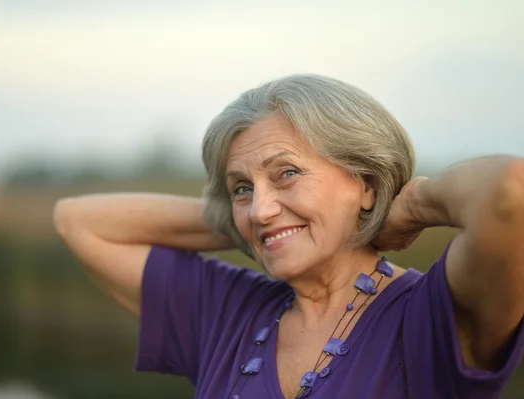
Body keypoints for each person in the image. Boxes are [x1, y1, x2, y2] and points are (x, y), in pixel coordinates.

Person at [53, 74, 524, 398]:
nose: (260, 207)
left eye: (287, 173)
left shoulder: (432, 319)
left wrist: (412, 205)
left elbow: (511, 192)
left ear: (365, 183)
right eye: (242, 187)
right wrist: (244, 220)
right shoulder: (228, 312)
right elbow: (78, 221)